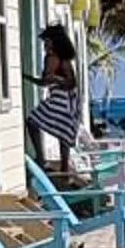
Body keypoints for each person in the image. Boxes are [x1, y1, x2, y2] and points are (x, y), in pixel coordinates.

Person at [30, 23, 86, 176]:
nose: (45, 45)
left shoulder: (58, 58)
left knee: (33, 121)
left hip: (63, 97)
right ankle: (62, 168)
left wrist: (55, 78)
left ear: (55, 42)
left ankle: (43, 159)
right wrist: (28, 78)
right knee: (63, 132)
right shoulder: (54, 58)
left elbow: (70, 82)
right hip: (61, 96)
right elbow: (45, 81)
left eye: (47, 41)